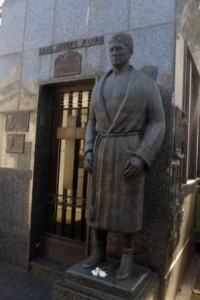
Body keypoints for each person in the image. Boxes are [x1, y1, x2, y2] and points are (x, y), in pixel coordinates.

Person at [82, 32, 165, 280]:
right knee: (98, 203)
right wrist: (88, 149)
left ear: (130, 52)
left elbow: (158, 122)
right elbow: (91, 122)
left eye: (120, 48)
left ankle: (128, 256)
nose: (115, 52)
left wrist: (142, 156)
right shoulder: (99, 86)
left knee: (129, 205)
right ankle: (99, 251)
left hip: (129, 151)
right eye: (112, 49)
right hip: (103, 151)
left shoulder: (145, 84)